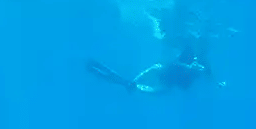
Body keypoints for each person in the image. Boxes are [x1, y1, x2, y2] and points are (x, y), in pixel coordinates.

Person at [86, 40, 219, 95]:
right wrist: (189, 67)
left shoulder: (204, 64)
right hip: (160, 71)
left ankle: (99, 72)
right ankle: (126, 83)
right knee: (131, 83)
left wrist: (219, 83)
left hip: (166, 84)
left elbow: (210, 77)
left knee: (131, 85)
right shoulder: (188, 51)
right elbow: (172, 61)